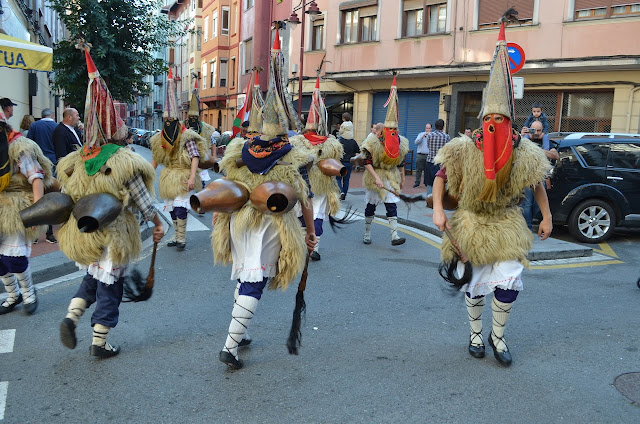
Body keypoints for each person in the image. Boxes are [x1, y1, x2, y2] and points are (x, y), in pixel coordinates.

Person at [432, 16, 553, 367]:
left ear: (510, 120)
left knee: (509, 279)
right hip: (470, 219)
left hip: (507, 220)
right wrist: (439, 210)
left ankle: (497, 336)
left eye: (502, 121)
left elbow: (537, 183)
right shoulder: (463, 147)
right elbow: (440, 176)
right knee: (475, 279)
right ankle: (474, 333)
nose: (496, 126)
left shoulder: (524, 150)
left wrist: (546, 217)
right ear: (483, 119)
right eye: (490, 121)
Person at [212, 29, 316, 370]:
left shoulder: (239, 151)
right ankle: (229, 346)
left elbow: (225, 187)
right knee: (254, 282)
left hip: (240, 222)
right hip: (271, 225)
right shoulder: (294, 155)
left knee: (245, 275)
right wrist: (310, 233)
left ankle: (239, 335)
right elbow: (304, 199)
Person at [57, 44, 164, 358]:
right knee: (111, 287)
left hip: (86, 234)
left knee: (92, 277)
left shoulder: (77, 159)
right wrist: (157, 225)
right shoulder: (123, 160)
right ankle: (99, 343)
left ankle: (71, 315)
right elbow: (144, 202)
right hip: (115, 234)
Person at [0, 110, 55, 315]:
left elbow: (36, 178)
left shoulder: (19, 147)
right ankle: (13, 295)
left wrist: (36, 211)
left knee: (14, 258)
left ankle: (29, 292)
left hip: (17, 207)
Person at [150, 68, 209, 251]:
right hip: (169, 177)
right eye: (165, 120)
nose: (168, 123)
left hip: (183, 175)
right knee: (172, 209)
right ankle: (176, 235)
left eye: (170, 119)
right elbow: (156, 159)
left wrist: (192, 177)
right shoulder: (160, 138)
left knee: (180, 207)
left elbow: (195, 156)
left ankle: (182, 238)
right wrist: (148, 175)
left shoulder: (186, 136)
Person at [291, 76, 344, 261]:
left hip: (314, 186)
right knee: (310, 216)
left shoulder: (330, 144)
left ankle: (311, 248)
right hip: (309, 186)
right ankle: (308, 247)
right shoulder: (301, 142)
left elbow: (336, 164)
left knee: (311, 216)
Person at [360, 76, 409, 246]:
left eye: (395, 129)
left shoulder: (399, 142)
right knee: (371, 206)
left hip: (391, 175)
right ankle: (367, 232)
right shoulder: (371, 143)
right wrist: (377, 178)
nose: (393, 132)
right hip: (376, 176)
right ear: (381, 132)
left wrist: (402, 178)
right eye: (390, 130)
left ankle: (394, 236)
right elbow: (366, 162)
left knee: (391, 206)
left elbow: (400, 161)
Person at [26, 108, 59, 243]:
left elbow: (28, 144)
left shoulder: (34, 125)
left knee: (35, 196)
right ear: (51, 115)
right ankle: (49, 233)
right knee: (50, 198)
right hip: (53, 164)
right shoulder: (57, 127)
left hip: (36, 164)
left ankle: (34, 234)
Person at [520, 120, 559, 230]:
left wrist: (538, 150)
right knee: (526, 205)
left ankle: (531, 224)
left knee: (538, 205)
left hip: (540, 178)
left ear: (543, 131)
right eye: (533, 130)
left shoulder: (546, 142)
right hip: (526, 177)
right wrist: (522, 136)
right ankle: (527, 228)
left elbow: (555, 155)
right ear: (529, 129)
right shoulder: (524, 140)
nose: (536, 133)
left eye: (539, 130)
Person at [424, 118, 450, 195]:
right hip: (441, 162)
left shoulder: (430, 135)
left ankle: (429, 198)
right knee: (440, 181)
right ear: (443, 126)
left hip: (430, 160)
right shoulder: (447, 136)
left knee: (429, 181)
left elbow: (428, 146)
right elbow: (447, 149)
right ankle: (438, 199)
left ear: (435, 126)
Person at [413, 123, 432, 188]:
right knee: (418, 169)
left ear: (431, 129)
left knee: (427, 170)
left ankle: (426, 183)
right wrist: (422, 137)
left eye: (429, 128)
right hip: (420, 155)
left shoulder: (432, 135)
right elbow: (416, 142)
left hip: (428, 155)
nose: (427, 129)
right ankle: (417, 183)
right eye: (426, 128)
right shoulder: (421, 134)